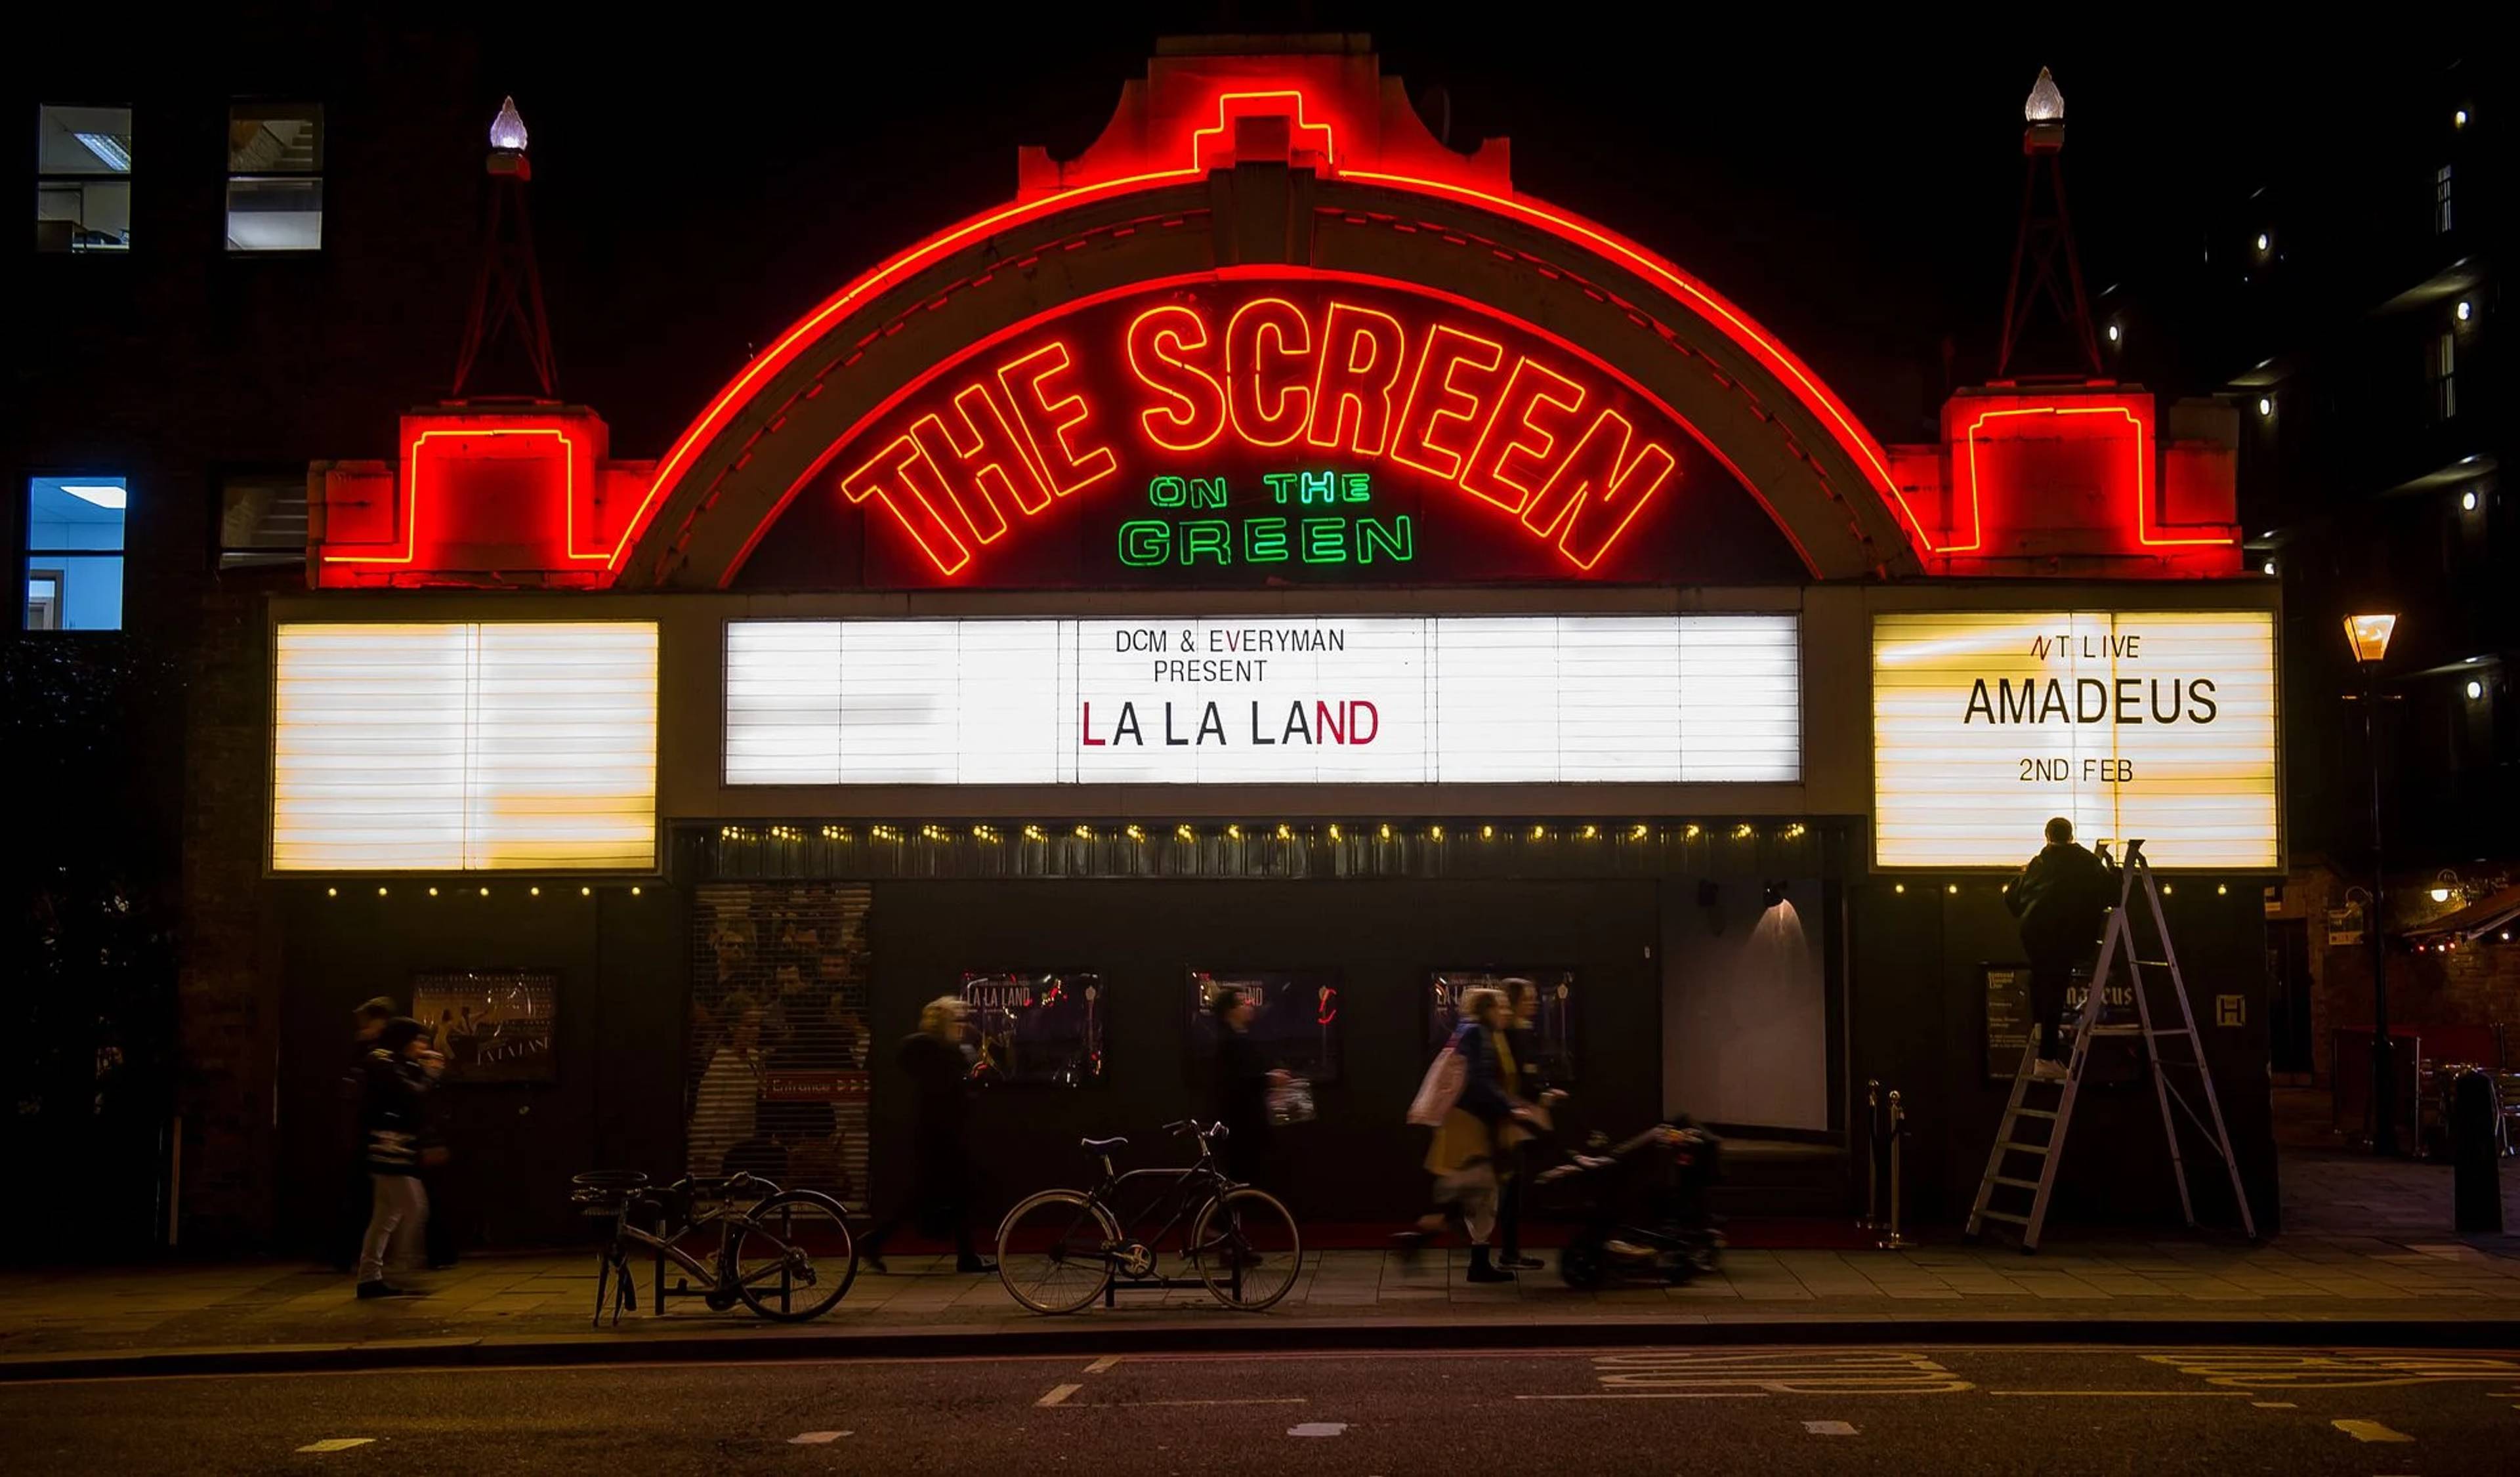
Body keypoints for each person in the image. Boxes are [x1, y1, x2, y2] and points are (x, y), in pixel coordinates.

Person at [860, 997, 994, 1274]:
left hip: (941, 1135)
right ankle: (965, 1257)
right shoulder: (936, 1052)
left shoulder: (939, 1052)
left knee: (937, 1196)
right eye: (957, 1019)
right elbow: (947, 1092)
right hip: (941, 1137)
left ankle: (876, 1241)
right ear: (944, 1022)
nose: (963, 1024)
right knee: (949, 1195)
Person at [1417, 988, 1538, 1284]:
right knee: (1481, 1186)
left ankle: (1449, 1236)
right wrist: (1509, 1107)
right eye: (1501, 1007)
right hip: (1471, 1123)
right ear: (1488, 1009)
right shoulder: (1478, 1034)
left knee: (1482, 1188)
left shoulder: (1471, 1031)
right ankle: (1439, 1231)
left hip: (1469, 1120)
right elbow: (1480, 1080)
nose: (1506, 1012)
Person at [2003, 816, 2118, 1081]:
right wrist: (2112, 867)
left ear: (2047, 836)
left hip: (2033, 934)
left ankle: (2041, 1030)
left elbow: (2012, 899)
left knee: (2041, 980)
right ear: (2072, 835)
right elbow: (2114, 893)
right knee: (2055, 988)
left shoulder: (2037, 863)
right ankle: (2046, 1057)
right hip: (2065, 935)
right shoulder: (2085, 860)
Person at [354, 1017, 435, 1299]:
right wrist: (429, 1075)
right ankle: (402, 1270)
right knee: (414, 1208)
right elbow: (411, 1097)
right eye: (418, 1040)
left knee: (386, 1217)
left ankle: (370, 1276)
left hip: (387, 1149)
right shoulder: (386, 1064)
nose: (422, 1046)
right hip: (390, 1151)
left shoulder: (389, 1063)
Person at [1495, 978, 1569, 1272]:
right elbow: (1520, 1077)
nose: (1535, 1002)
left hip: (1515, 1116)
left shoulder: (1510, 1034)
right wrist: (1542, 1095)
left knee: (1509, 1183)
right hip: (1516, 1118)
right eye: (1528, 998)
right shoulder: (1513, 1035)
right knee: (1510, 1184)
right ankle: (1508, 1251)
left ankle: (1508, 1249)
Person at [334, 997, 398, 1270]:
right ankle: (356, 1256)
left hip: (365, 1132)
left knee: (371, 1199)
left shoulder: (367, 1052)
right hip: (369, 1133)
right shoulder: (372, 1054)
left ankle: (354, 1255)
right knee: (373, 1199)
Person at [1209, 986, 1287, 1191]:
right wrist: (1268, 1079)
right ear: (1230, 1012)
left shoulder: (1239, 1038)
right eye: (1243, 1003)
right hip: (1241, 1130)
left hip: (1245, 1129)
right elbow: (1238, 1082)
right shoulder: (1229, 1043)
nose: (1249, 1005)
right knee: (1241, 1184)